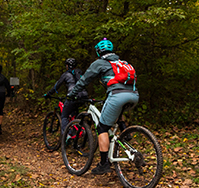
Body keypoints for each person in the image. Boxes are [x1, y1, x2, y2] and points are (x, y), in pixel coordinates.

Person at [66, 39, 139, 176]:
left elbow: (84, 80)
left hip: (117, 95)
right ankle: (125, 133)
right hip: (134, 95)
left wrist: (72, 94)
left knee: (102, 128)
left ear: (99, 51)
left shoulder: (99, 63)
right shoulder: (122, 63)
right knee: (117, 111)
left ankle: (104, 164)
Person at [44, 58, 87, 134]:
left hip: (73, 96)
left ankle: (67, 135)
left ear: (67, 66)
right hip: (83, 96)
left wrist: (48, 94)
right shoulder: (79, 72)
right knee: (74, 112)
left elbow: (56, 86)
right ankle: (77, 130)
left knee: (64, 116)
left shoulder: (65, 75)